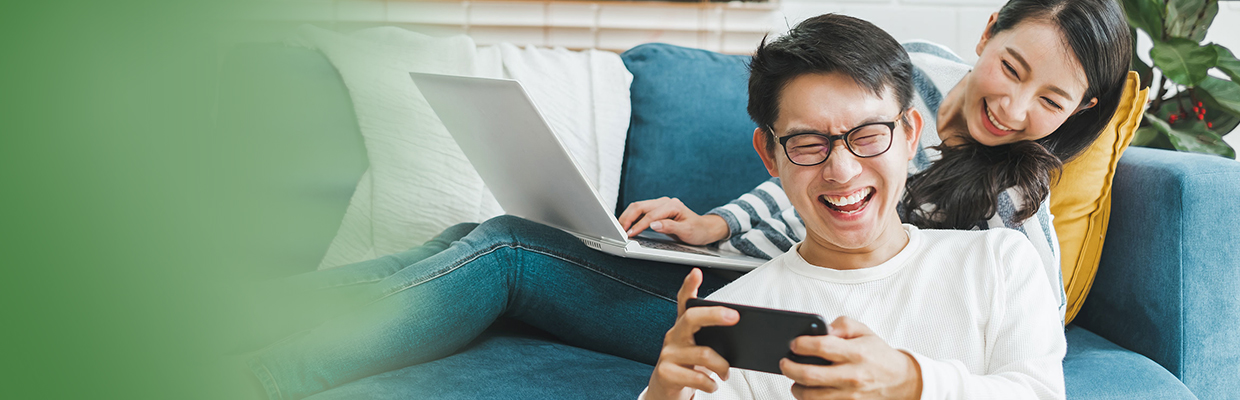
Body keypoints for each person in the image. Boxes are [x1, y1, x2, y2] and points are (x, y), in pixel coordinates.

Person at [243, 1, 1130, 398]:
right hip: (742, 283)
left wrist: (911, 375)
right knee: (478, 232)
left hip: (788, 321)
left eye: (1049, 103)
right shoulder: (895, 84)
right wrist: (713, 226)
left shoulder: (1011, 210)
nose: (1014, 108)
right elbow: (797, 189)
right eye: (1012, 69)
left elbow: (1030, 342)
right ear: (986, 36)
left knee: (510, 247)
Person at [643, 14, 1064, 400]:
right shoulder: (736, 317)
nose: (842, 171)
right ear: (769, 155)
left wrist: (911, 382)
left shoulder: (1001, 262)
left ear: (910, 134)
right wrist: (662, 393)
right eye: (808, 144)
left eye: (868, 135)